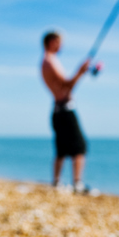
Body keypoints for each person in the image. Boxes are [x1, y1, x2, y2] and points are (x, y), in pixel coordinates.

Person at [41, 31, 91, 191]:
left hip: (57, 110)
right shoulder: (50, 61)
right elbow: (66, 86)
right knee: (80, 147)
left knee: (61, 149)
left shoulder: (45, 62)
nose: (61, 45)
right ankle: (77, 184)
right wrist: (81, 71)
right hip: (65, 109)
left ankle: (56, 182)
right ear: (51, 42)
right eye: (59, 41)